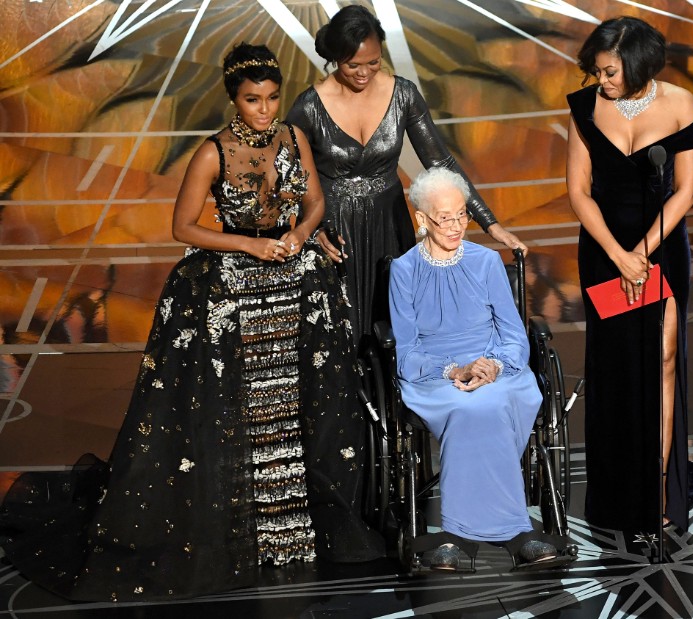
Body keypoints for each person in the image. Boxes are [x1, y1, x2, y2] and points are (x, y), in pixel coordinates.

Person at [0, 43, 378, 601]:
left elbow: (315, 203)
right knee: (241, 415)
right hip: (235, 285)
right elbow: (183, 227)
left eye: (273, 98)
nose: (266, 109)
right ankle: (243, 529)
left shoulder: (295, 138)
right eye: (254, 100)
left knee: (298, 411)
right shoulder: (212, 153)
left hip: (296, 283)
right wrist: (249, 246)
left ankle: (294, 530)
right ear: (234, 99)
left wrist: (298, 235)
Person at [285, 4, 527, 352]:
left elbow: (441, 162)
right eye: (353, 65)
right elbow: (289, 178)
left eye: (374, 62)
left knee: (396, 321)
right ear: (336, 57)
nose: (365, 73)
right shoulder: (308, 106)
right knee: (341, 329)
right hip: (335, 231)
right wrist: (315, 228)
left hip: (390, 223)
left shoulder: (403, 94)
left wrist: (492, 224)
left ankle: (399, 399)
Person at [388, 167, 575, 572]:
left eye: (462, 216)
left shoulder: (486, 262)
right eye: (445, 218)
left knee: (489, 402)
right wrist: (454, 369)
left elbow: (514, 337)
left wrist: (492, 364)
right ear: (421, 218)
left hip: (495, 367)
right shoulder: (403, 271)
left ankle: (464, 536)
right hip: (434, 375)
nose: (456, 226)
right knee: (471, 408)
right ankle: (512, 532)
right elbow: (407, 353)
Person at [566, 16, 693, 536]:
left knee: (664, 359)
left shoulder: (679, 104)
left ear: (638, 64)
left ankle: (661, 485)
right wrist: (619, 256)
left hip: (662, 246)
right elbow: (579, 192)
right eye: (597, 72)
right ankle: (619, 492)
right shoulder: (584, 108)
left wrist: (642, 253)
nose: (601, 81)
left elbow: (686, 191)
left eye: (609, 72)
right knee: (618, 367)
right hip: (605, 249)